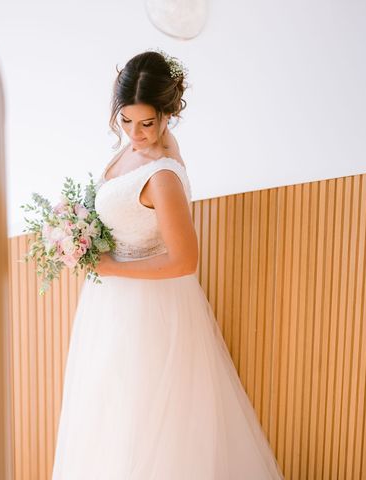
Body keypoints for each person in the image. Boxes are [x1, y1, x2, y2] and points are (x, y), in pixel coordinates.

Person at [51, 50, 284, 480]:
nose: (136, 134)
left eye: (147, 123)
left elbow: (184, 260)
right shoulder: (135, 154)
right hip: (113, 310)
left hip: (148, 314)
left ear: (167, 114)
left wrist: (106, 267)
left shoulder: (162, 174)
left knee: (148, 424)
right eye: (126, 121)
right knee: (110, 421)